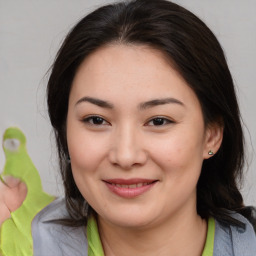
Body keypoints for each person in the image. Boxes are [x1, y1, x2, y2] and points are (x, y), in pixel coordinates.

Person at [1, 0, 256, 255]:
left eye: (158, 121)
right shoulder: (19, 243)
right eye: (96, 120)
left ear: (211, 136)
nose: (125, 156)